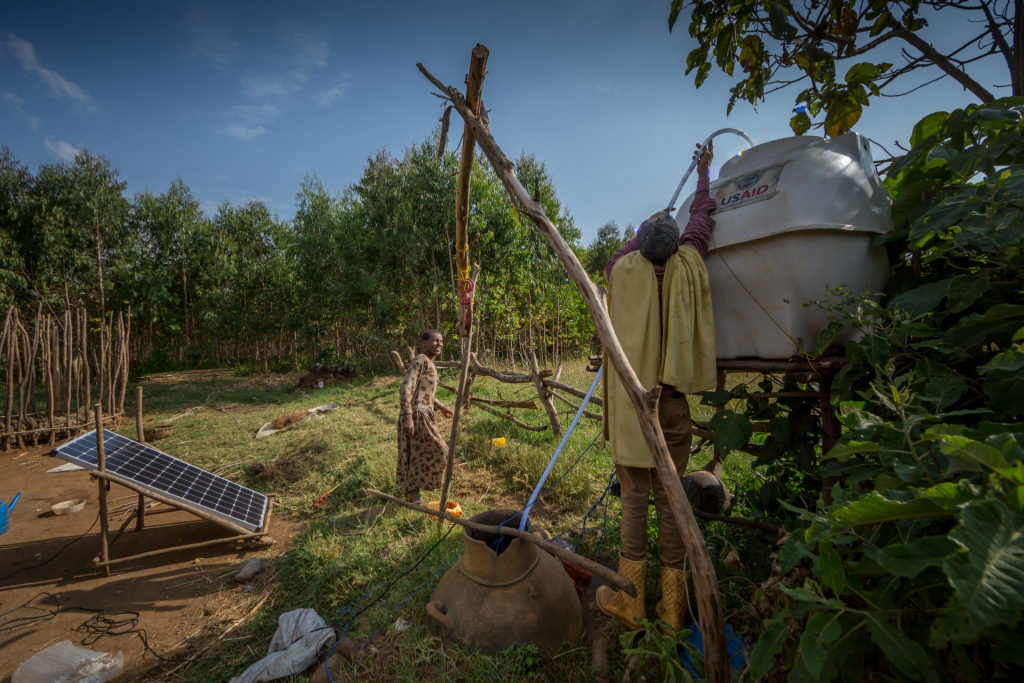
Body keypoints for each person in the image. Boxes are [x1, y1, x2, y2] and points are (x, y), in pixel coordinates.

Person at [597, 142, 717, 633]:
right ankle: (670, 608)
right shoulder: (690, 262)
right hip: (671, 406)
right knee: (672, 503)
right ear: (678, 243)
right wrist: (703, 174)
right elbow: (702, 219)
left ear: (641, 245)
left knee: (634, 501)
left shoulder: (622, 270)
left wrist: (640, 231)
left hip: (632, 408)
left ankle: (631, 603)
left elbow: (620, 252)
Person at [397, 330, 454, 503]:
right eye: (435, 340)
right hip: (416, 415)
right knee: (442, 450)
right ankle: (413, 491)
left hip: (424, 413)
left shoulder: (430, 364)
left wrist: (441, 406)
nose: (439, 344)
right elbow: (406, 387)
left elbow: (424, 392)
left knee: (415, 453)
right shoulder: (420, 360)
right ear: (425, 343)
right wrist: (408, 415)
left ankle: (412, 495)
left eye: (441, 341)